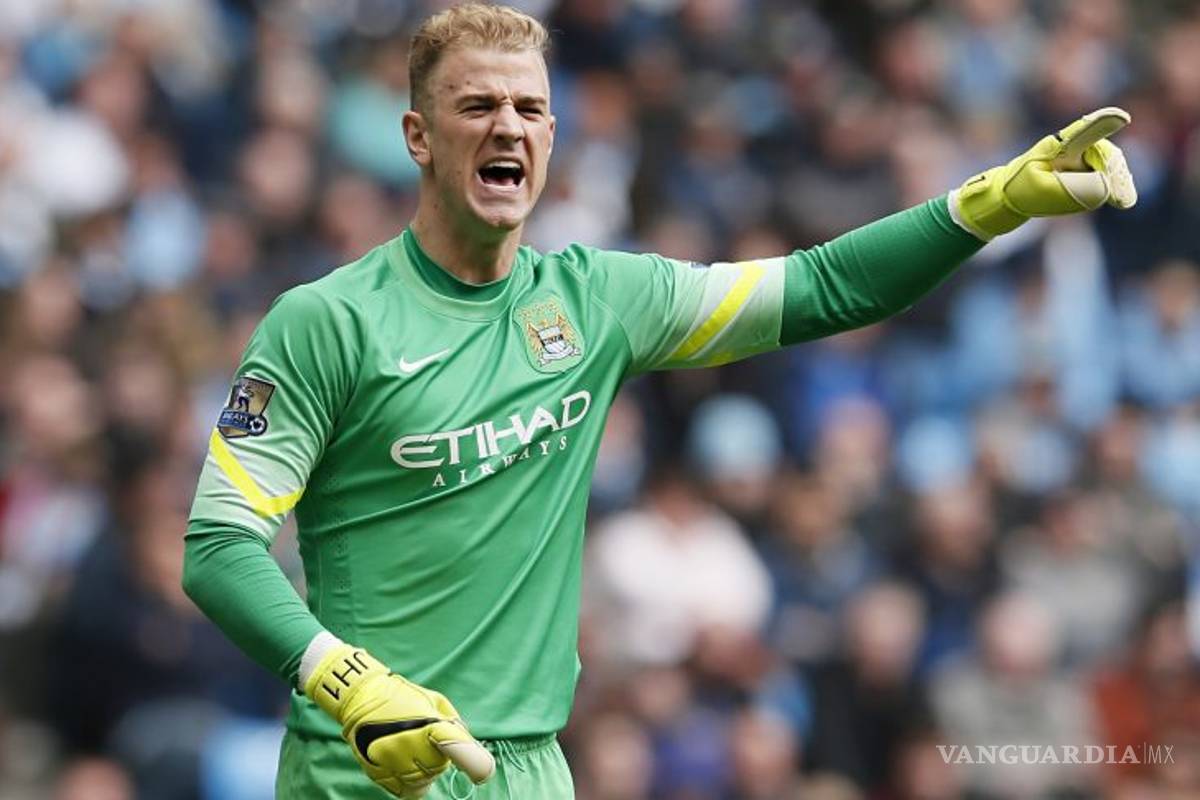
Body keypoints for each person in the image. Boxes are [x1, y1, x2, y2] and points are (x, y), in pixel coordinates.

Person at [182, 4, 1137, 798]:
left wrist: (987, 206)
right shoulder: (325, 322)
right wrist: (343, 681)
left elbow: (821, 288)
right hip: (366, 767)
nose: (508, 125)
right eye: (476, 105)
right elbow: (219, 547)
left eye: (529, 107)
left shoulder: (599, 302)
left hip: (529, 769)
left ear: (553, 136)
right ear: (418, 138)